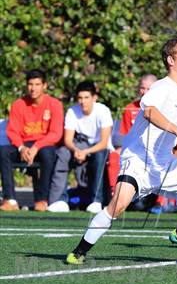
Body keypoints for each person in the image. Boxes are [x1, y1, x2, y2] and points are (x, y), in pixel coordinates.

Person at [66, 37, 177, 265]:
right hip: (139, 160)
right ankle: (79, 251)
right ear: (171, 60)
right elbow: (149, 112)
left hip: (165, 163)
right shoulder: (161, 86)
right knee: (118, 206)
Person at [0, 69, 63, 211]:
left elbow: (56, 133)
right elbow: (12, 131)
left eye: (37, 84)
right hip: (23, 145)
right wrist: (21, 147)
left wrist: (36, 147)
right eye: (30, 84)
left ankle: (42, 200)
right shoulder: (18, 104)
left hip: (44, 144)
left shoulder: (54, 104)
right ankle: (10, 199)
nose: (33, 88)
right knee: (3, 152)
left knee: (48, 154)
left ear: (44, 86)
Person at [47, 81, 113, 213]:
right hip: (79, 146)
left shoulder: (103, 111)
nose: (83, 102)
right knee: (63, 153)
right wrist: (77, 150)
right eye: (80, 98)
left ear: (94, 98)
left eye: (86, 97)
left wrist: (85, 152)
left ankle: (96, 201)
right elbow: (68, 140)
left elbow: (104, 142)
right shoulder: (72, 111)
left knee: (99, 156)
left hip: (98, 149)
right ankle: (59, 200)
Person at [107, 74, 157, 195]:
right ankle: (115, 192)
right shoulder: (130, 108)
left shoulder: (162, 108)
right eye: (142, 88)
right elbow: (126, 135)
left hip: (156, 149)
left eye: (148, 89)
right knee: (114, 155)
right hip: (134, 149)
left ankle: (159, 203)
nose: (144, 92)